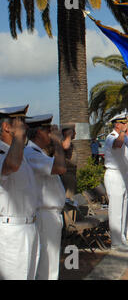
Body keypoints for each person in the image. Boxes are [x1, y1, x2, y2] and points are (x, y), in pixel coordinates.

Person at [24, 114, 68, 280]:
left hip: (50, 214)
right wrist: (58, 142)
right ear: (38, 133)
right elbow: (60, 168)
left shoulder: (38, 152)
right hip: (44, 214)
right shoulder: (31, 153)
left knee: (50, 261)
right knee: (46, 263)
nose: (52, 133)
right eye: (48, 130)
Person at [0, 105, 40, 280]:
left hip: (29, 226)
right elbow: (11, 166)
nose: (26, 128)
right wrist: (17, 137)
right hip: (11, 231)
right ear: (6, 127)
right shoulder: (4, 153)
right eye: (20, 122)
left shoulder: (19, 152)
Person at [103, 113, 128, 252]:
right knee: (116, 210)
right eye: (124, 123)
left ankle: (121, 238)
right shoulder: (111, 137)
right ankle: (115, 242)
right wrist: (122, 132)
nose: (126, 125)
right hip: (113, 175)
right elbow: (118, 145)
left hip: (122, 175)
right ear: (117, 124)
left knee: (123, 207)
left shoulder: (122, 135)